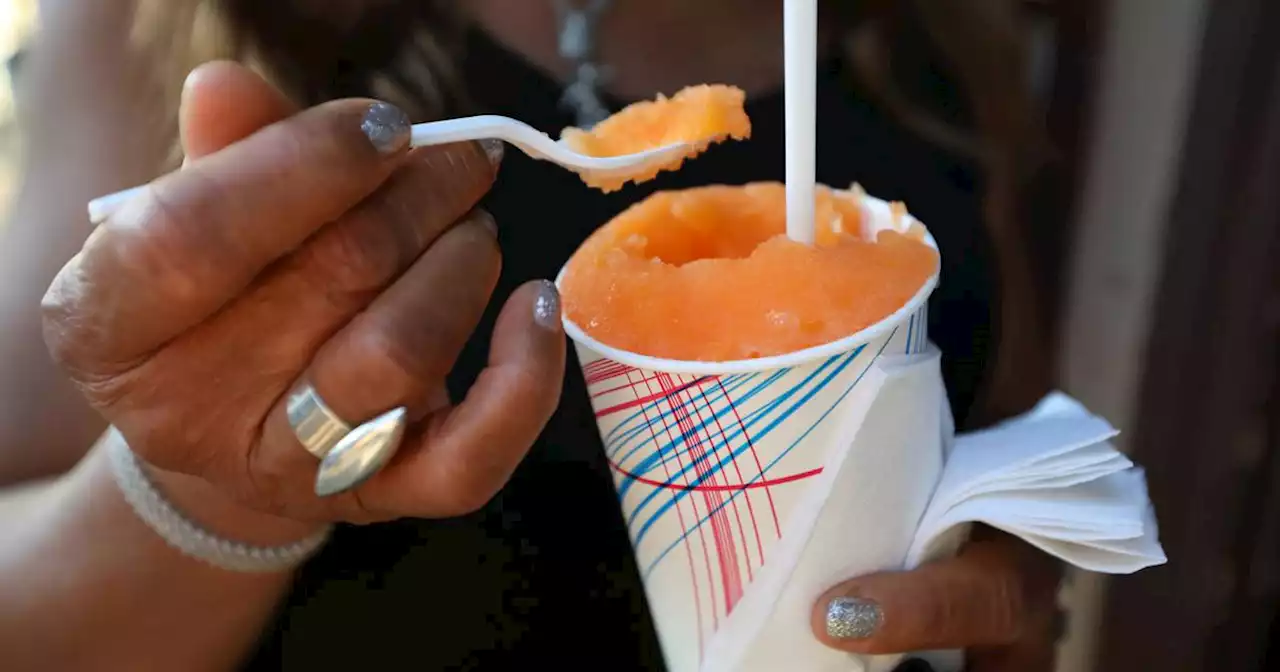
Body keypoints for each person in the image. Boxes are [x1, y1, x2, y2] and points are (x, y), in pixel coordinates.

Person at [0, 1, 1064, 670]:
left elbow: (997, 460)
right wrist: (217, 484)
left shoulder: (943, 43)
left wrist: (1002, 565)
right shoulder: (169, 18)